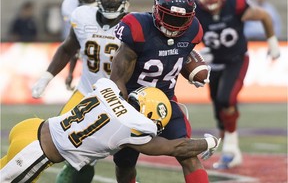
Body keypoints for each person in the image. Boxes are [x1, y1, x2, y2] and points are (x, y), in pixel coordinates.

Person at [0, 78, 221, 183]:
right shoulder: (132, 126)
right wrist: (211, 142)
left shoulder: (108, 88)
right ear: (150, 115)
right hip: (36, 151)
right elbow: (176, 146)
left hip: (30, 127)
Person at [31, 0, 132, 183]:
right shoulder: (82, 16)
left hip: (116, 100)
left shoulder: (135, 25)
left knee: (121, 159)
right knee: (55, 141)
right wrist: (47, 77)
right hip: (86, 92)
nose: (111, 1)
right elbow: (67, 49)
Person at [110, 0, 211, 183]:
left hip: (166, 103)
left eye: (181, 19)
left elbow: (179, 53)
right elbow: (117, 77)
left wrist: (190, 69)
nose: (174, 24)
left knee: (188, 154)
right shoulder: (138, 27)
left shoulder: (193, 30)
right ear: (156, 10)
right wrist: (123, 111)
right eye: (170, 17)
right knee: (125, 164)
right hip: (132, 103)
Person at [194, 0, 281, 169]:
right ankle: (228, 145)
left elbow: (264, 16)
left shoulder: (235, 3)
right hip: (214, 64)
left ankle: (232, 151)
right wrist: (196, 53)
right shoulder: (197, 11)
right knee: (220, 112)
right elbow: (186, 37)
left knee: (227, 99)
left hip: (237, 59)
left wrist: (273, 43)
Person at [61, 0, 101, 90]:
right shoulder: (71, 5)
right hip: (90, 61)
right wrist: (70, 72)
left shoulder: (108, 5)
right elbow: (73, 44)